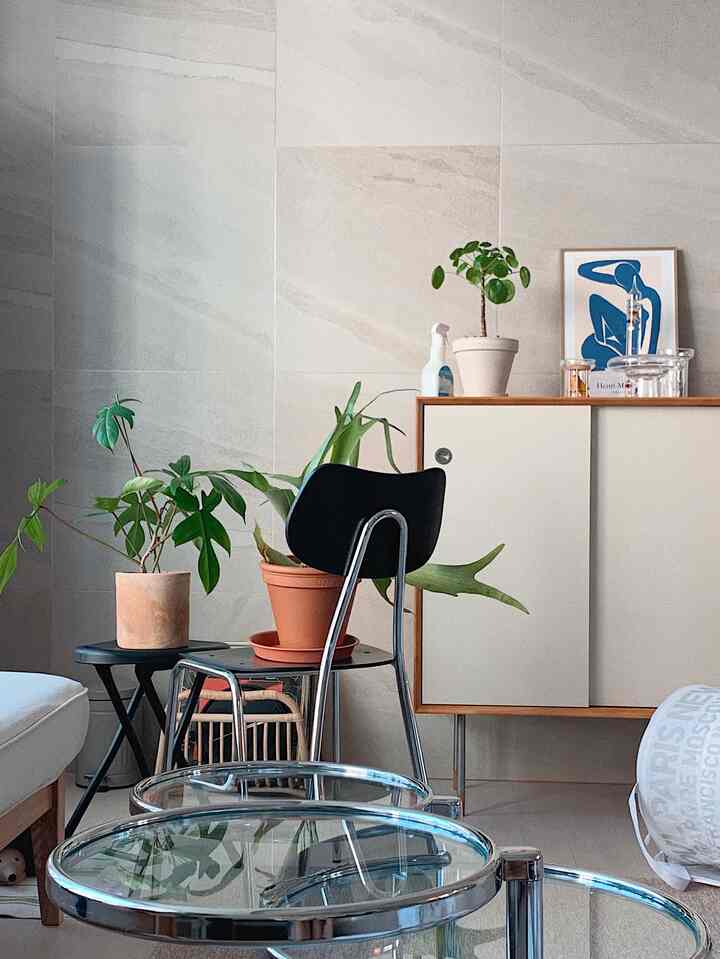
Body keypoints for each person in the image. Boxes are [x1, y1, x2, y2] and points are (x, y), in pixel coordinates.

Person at [578, 258, 661, 369]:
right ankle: (602, 341)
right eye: (622, 286)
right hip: (627, 336)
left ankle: (604, 342)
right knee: (595, 301)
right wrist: (621, 261)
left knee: (596, 301)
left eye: (626, 286)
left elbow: (652, 333)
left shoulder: (649, 297)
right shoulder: (629, 289)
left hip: (636, 349)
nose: (626, 290)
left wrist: (646, 361)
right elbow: (583, 270)